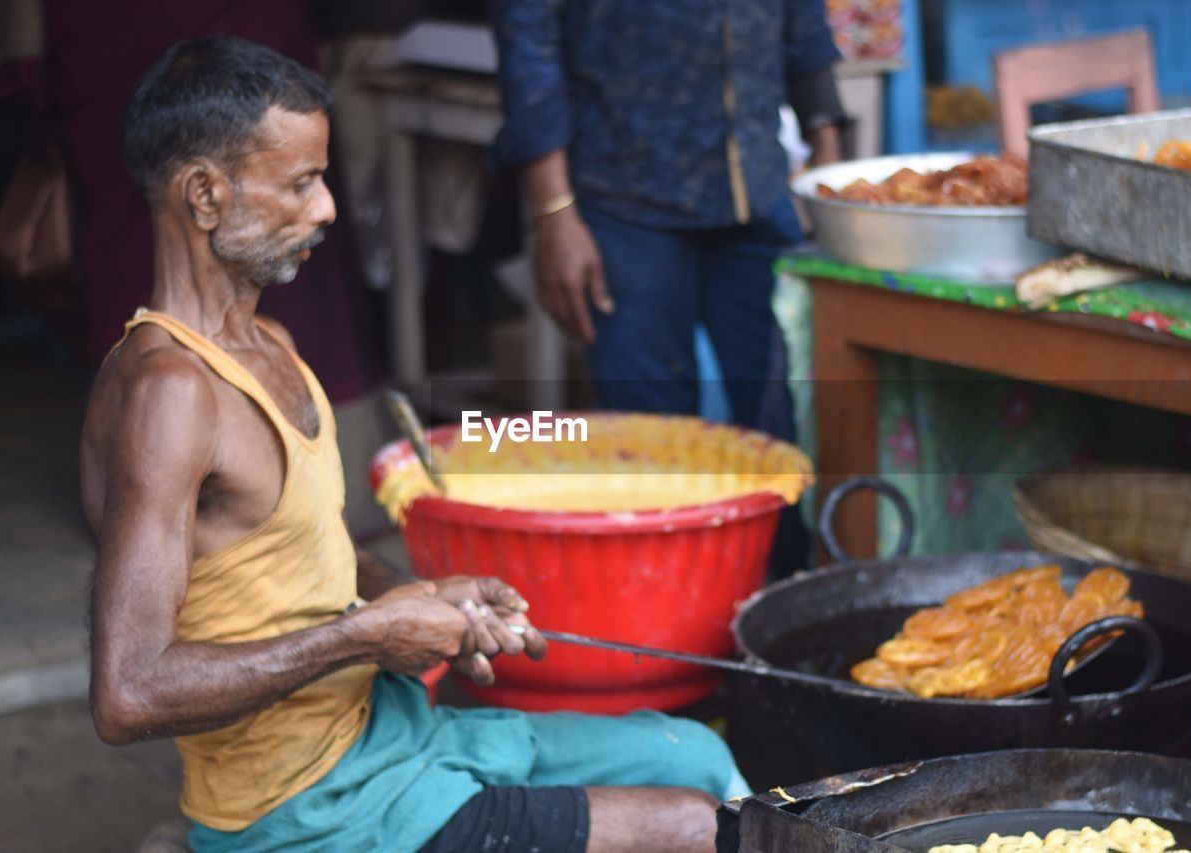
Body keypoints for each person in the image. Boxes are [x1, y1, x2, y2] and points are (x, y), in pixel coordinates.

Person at [80, 37, 740, 853]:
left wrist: (424, 593)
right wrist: (362, 636)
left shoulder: (271, 342)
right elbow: (129, 693)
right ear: (206, 195)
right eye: (301, 183)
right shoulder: (165, 395)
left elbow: (294, 554)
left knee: (702, 756)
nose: (326, 207)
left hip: (392, 744)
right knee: (694, 829)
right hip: (310, 813)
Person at [492, 0, 845, 429]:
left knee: (792, 418)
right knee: (651, 437)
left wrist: (826, 151)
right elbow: (528, 41)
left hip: (757, 193)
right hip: (625, 199)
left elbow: (802, 17)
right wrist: (554, 212)